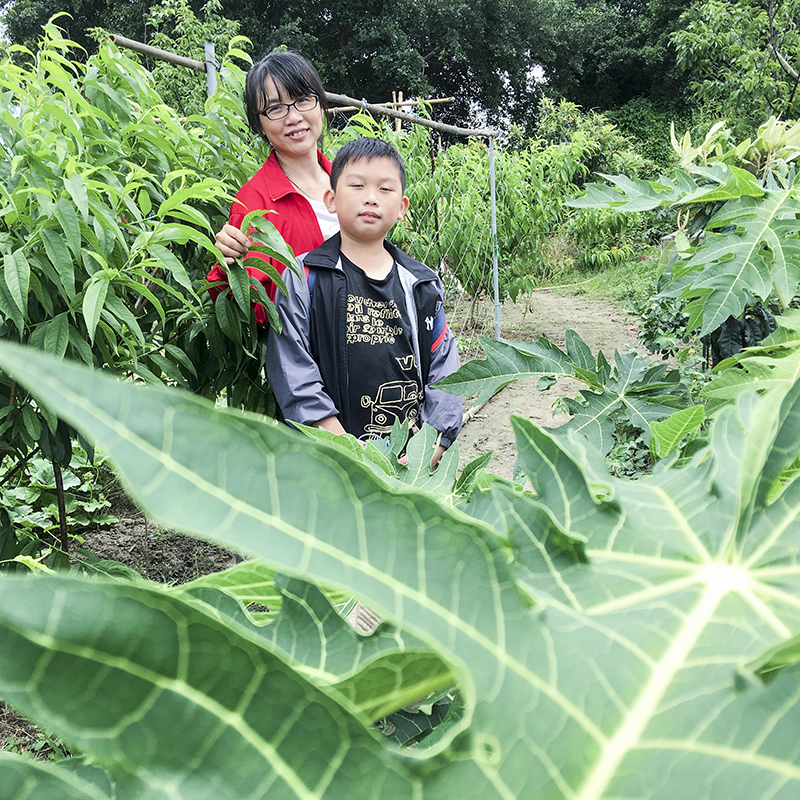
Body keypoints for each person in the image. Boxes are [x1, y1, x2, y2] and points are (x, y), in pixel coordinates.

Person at [265, 138, 463, 467]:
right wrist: (341, 444)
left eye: (385, 189)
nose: (371, 197)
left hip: (411, 459)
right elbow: (291, 366)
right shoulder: (304, 277)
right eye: (357, 185)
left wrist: (431, 445)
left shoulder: (422, 284)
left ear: (402, 207)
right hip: (329, 457)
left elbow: (445, 369)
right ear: (331, 199)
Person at [207, 50, 337, 323]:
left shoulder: (350, 180)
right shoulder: (254, 202)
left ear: (320, 105)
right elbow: (253, 309)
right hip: (307, 345)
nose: (294, 117)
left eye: (302, 99)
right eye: (275, 108)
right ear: (259, 125)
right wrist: (230, 264)